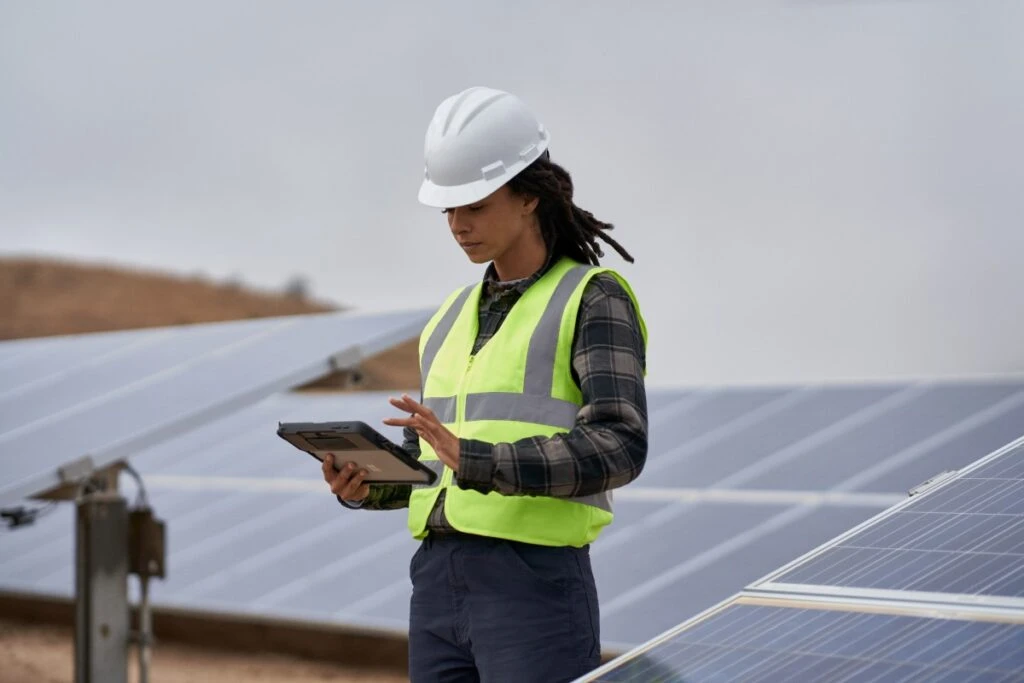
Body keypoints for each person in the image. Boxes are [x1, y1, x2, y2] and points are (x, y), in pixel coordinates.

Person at [322, 86, 648, 683]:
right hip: (438, 584)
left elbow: (620, 446)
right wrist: (369, 484)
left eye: (473, 204)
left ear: (529, 195)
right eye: (446, 209)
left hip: (535, 586)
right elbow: (437, 471)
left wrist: (476, 458)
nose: (457, 224)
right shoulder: (448, 317)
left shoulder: (592, 298)